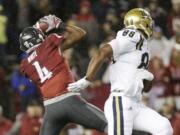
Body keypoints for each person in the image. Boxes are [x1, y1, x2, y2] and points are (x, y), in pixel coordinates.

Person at [68, 8, 173, 135]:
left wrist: (148, 77)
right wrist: (87, 79)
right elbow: (103, 51)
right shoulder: (133, 34)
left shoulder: (142, 45)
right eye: (147, 21)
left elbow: (145, 89)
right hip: (121, 102)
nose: (150, 24)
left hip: (136, 104)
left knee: (163, 127)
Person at [19, 15, 107, 135]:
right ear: (39, 37)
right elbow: (80, 33)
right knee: (110, 125)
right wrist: (60, 25)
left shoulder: (25, 66)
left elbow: (38, 61)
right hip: (69, 101)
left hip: (50, 109)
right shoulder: (50, 44)